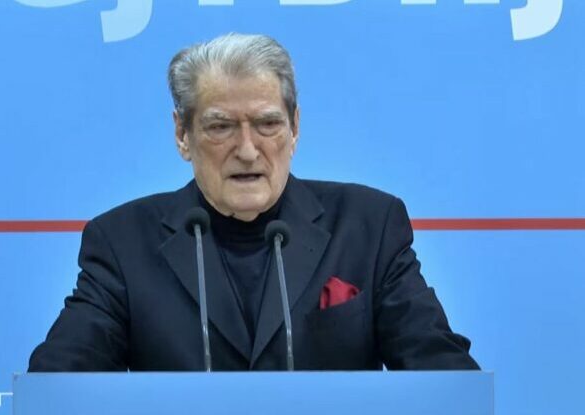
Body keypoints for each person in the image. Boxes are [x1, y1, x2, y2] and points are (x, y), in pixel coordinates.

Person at [29, 33, 479, 371]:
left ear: (295, 128)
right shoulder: (123, 244)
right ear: (182, 135)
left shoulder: (368, 227)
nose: (247, 150)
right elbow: (57, 383)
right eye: (221, 127)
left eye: (267, 124)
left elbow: (443, 374)